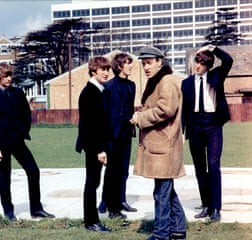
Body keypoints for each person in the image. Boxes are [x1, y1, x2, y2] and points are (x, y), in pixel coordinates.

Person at [0, 63, 55, 221]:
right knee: (5, 176)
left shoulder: (18, 93)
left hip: (18, 140)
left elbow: (26, 114)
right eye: (5, 76)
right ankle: (8, 211)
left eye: (10, 75)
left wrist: (23, 131)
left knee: (33, 170)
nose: (9, 78)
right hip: (1, 144)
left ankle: (36, 209)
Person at [130, 46, 187, 240]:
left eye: (149, 62)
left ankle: (161, 234)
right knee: (166, 191)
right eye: (143, 63)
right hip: (161, 145)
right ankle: (178, 229)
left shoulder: (166, 81)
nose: (146, 67)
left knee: (161, 194)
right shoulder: (161, 81)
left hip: (164, 145)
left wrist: (140, 117)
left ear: (159, 62)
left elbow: (166, 110)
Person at [181, 45, 233, 222]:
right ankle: (206, 205)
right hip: (195, 126)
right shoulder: (186, 83)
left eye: (201, 63)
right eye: (196, 61)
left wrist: (214, 48)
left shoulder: (216, 75)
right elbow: (184, 110)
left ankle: (216, 208)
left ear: (208, 65)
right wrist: (182, 132)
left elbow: (228, 60)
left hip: (213, 125)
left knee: (214, 165)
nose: (197, 65)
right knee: (199, 168)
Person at [98, 52, 137, 218]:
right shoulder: (108, 86)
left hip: (126, 133)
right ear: (119, 65)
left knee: (123, 170)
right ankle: (105, 201)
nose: (131, 66)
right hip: (112, 134)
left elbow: (129, 107)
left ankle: (121, 200)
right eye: (128, 63)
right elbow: (105, 114)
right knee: (111, 170)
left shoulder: (132, 85)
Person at [75, 56, 112, 232]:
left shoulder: (99, 90)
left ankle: (91, 219)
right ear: (93, 71)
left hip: (98, 144)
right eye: (102, 69)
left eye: (107, 70)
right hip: (93, 146)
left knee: (94, 182)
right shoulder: (90, 93)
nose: (106, 73)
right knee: (92, 183)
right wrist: (99, 149)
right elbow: (90, 126)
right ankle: (91, 221)